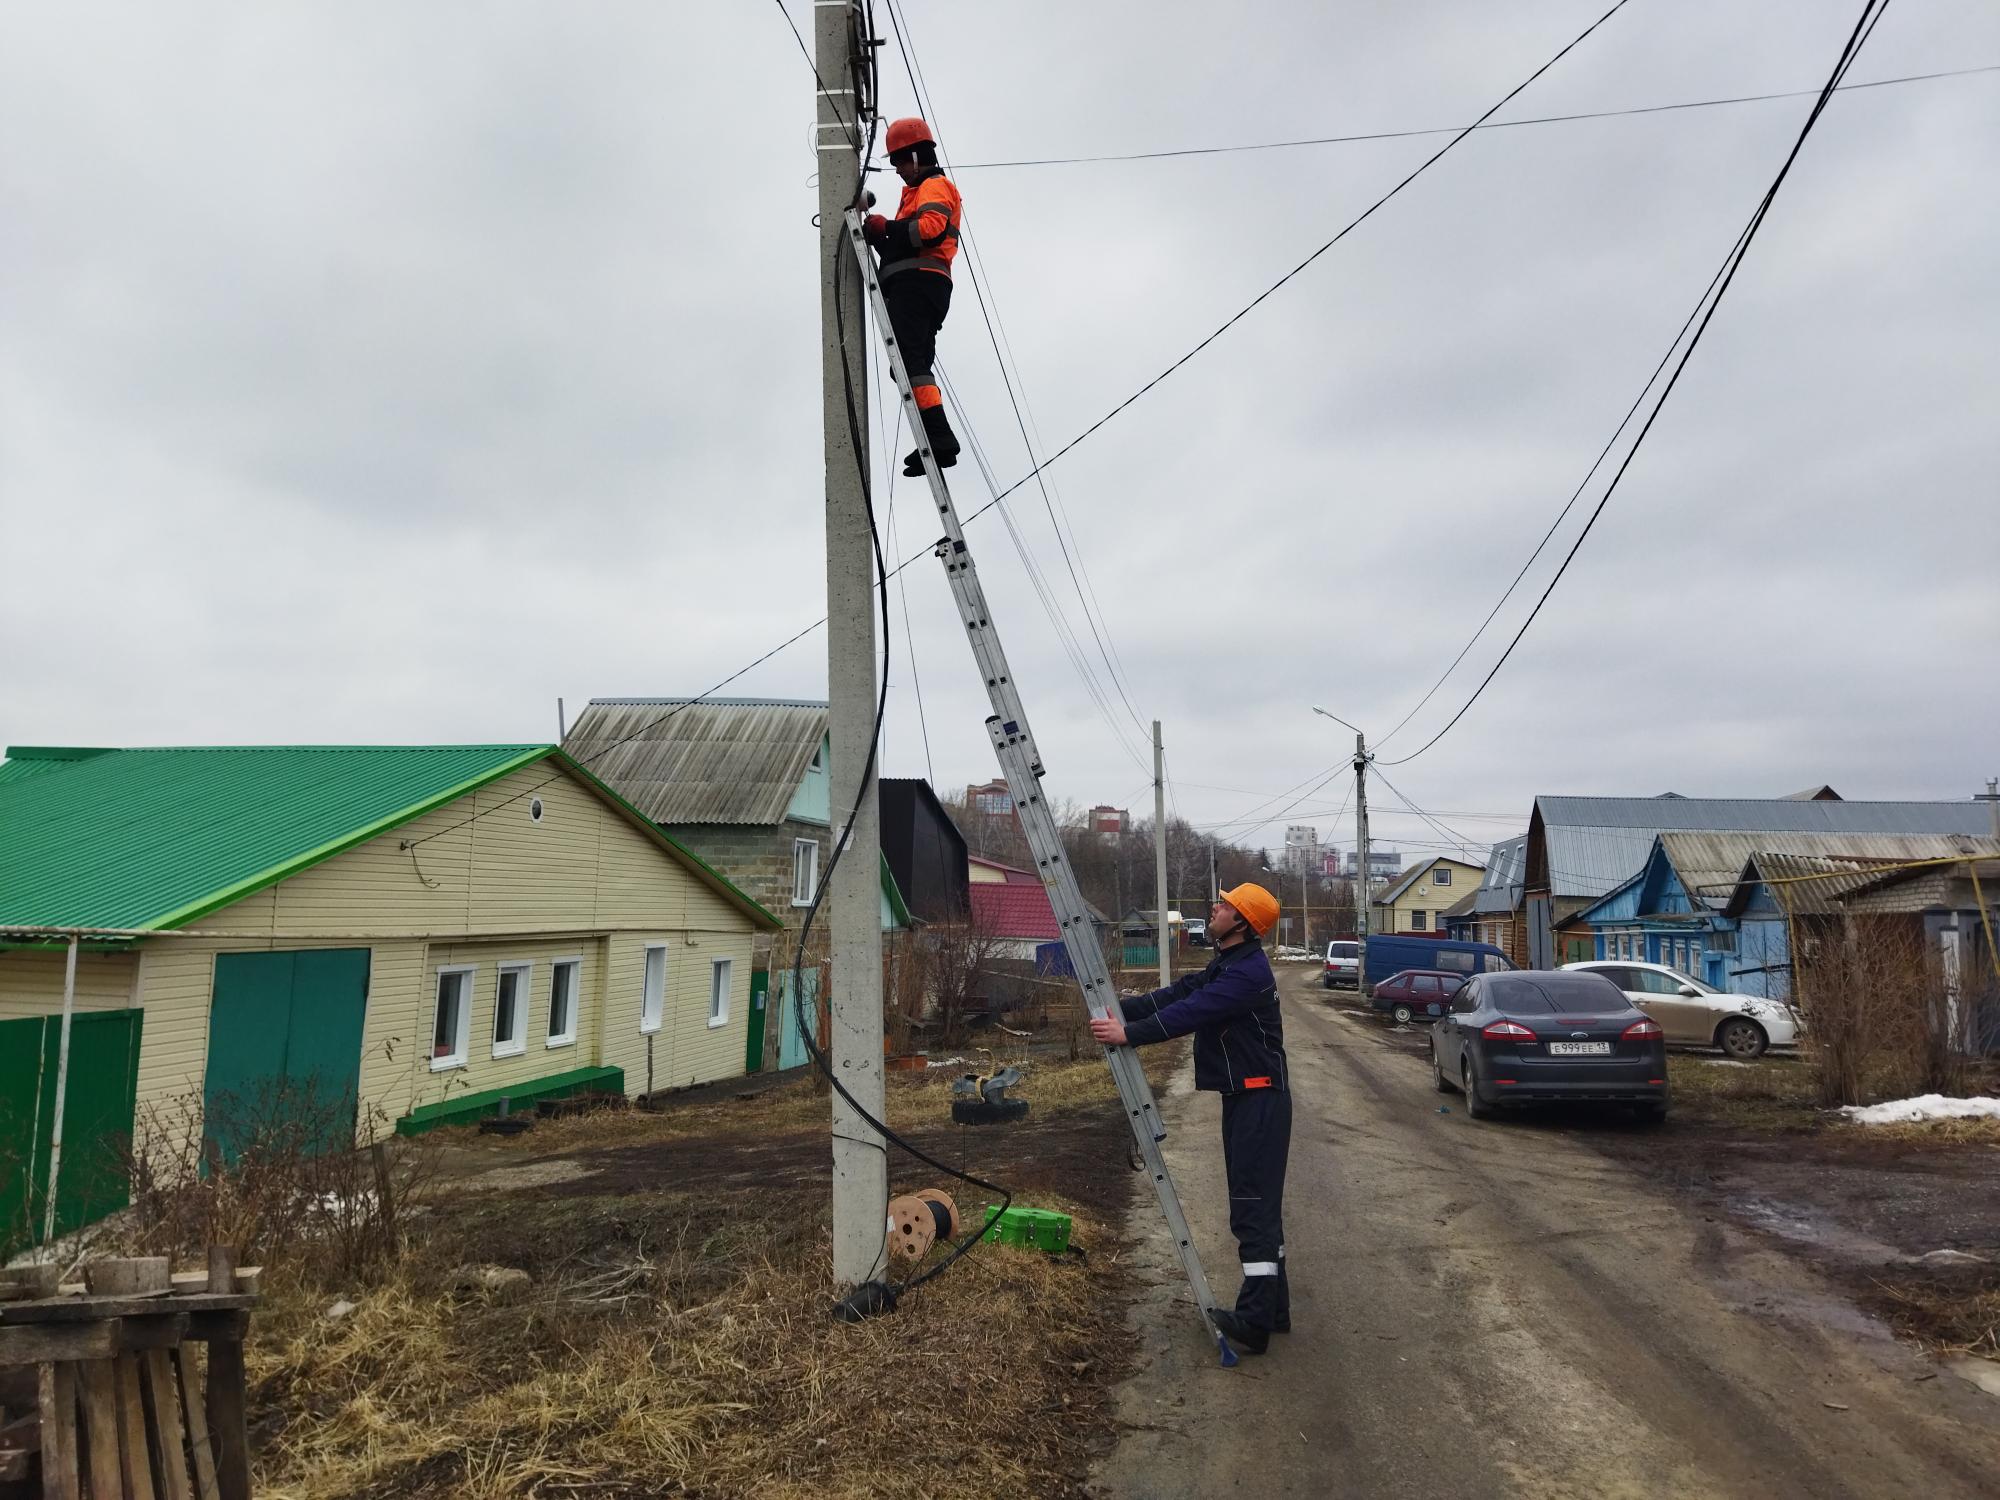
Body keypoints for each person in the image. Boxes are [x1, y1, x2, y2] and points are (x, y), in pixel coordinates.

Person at [1089, 883, 1291, 1355]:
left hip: (1260, 1102)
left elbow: (1191, 1013)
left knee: (1252, 1209)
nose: (1214, 909)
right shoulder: (1229, 963)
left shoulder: (1248, 975)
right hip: (1247, 1099)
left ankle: (1255, 1322)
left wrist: (1128, 1035)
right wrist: (1123, 1009)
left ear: (1241, 922)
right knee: (1260, 1207)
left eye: (1224, 906)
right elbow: (1181, 993)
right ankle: (1274, 1311)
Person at [862, 117, 962, 476]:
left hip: (919, 285)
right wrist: (880, 235)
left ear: (918, 156)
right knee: (910, 366)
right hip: (922, 285)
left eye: (901, 162)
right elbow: (905, 240)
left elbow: (929, 230)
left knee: (910, 363)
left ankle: (939, 438)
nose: (899, 170)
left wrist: (885, 228)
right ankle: (937, 442)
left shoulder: (935, 185)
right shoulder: (917, 193)